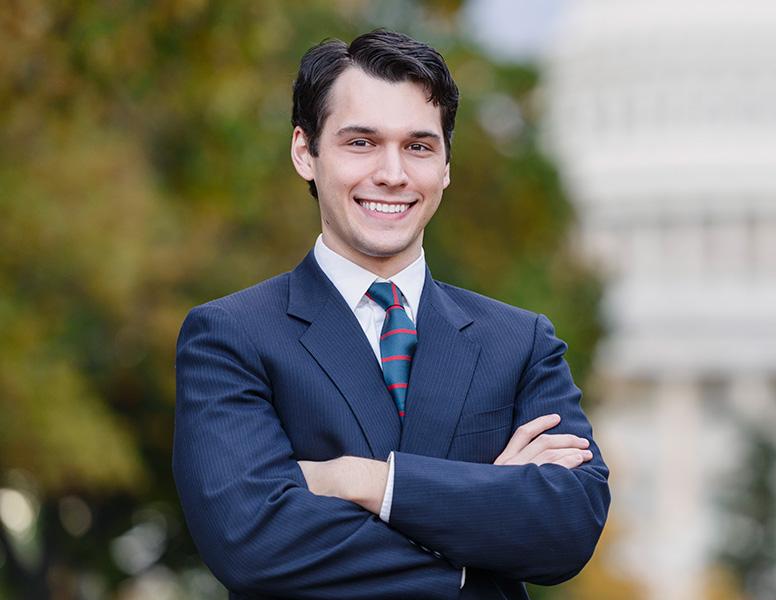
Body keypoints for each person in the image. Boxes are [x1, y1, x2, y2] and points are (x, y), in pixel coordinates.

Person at [173, 29, 610, 600]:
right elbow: (252, 540)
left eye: (419, 147)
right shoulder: (231, 338)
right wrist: (480, 531)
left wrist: (361, 480)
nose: (393, 173)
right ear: (305, 152)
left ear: (446, 165)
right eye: (361, 142)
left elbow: (569, 525)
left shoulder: (520, 342)